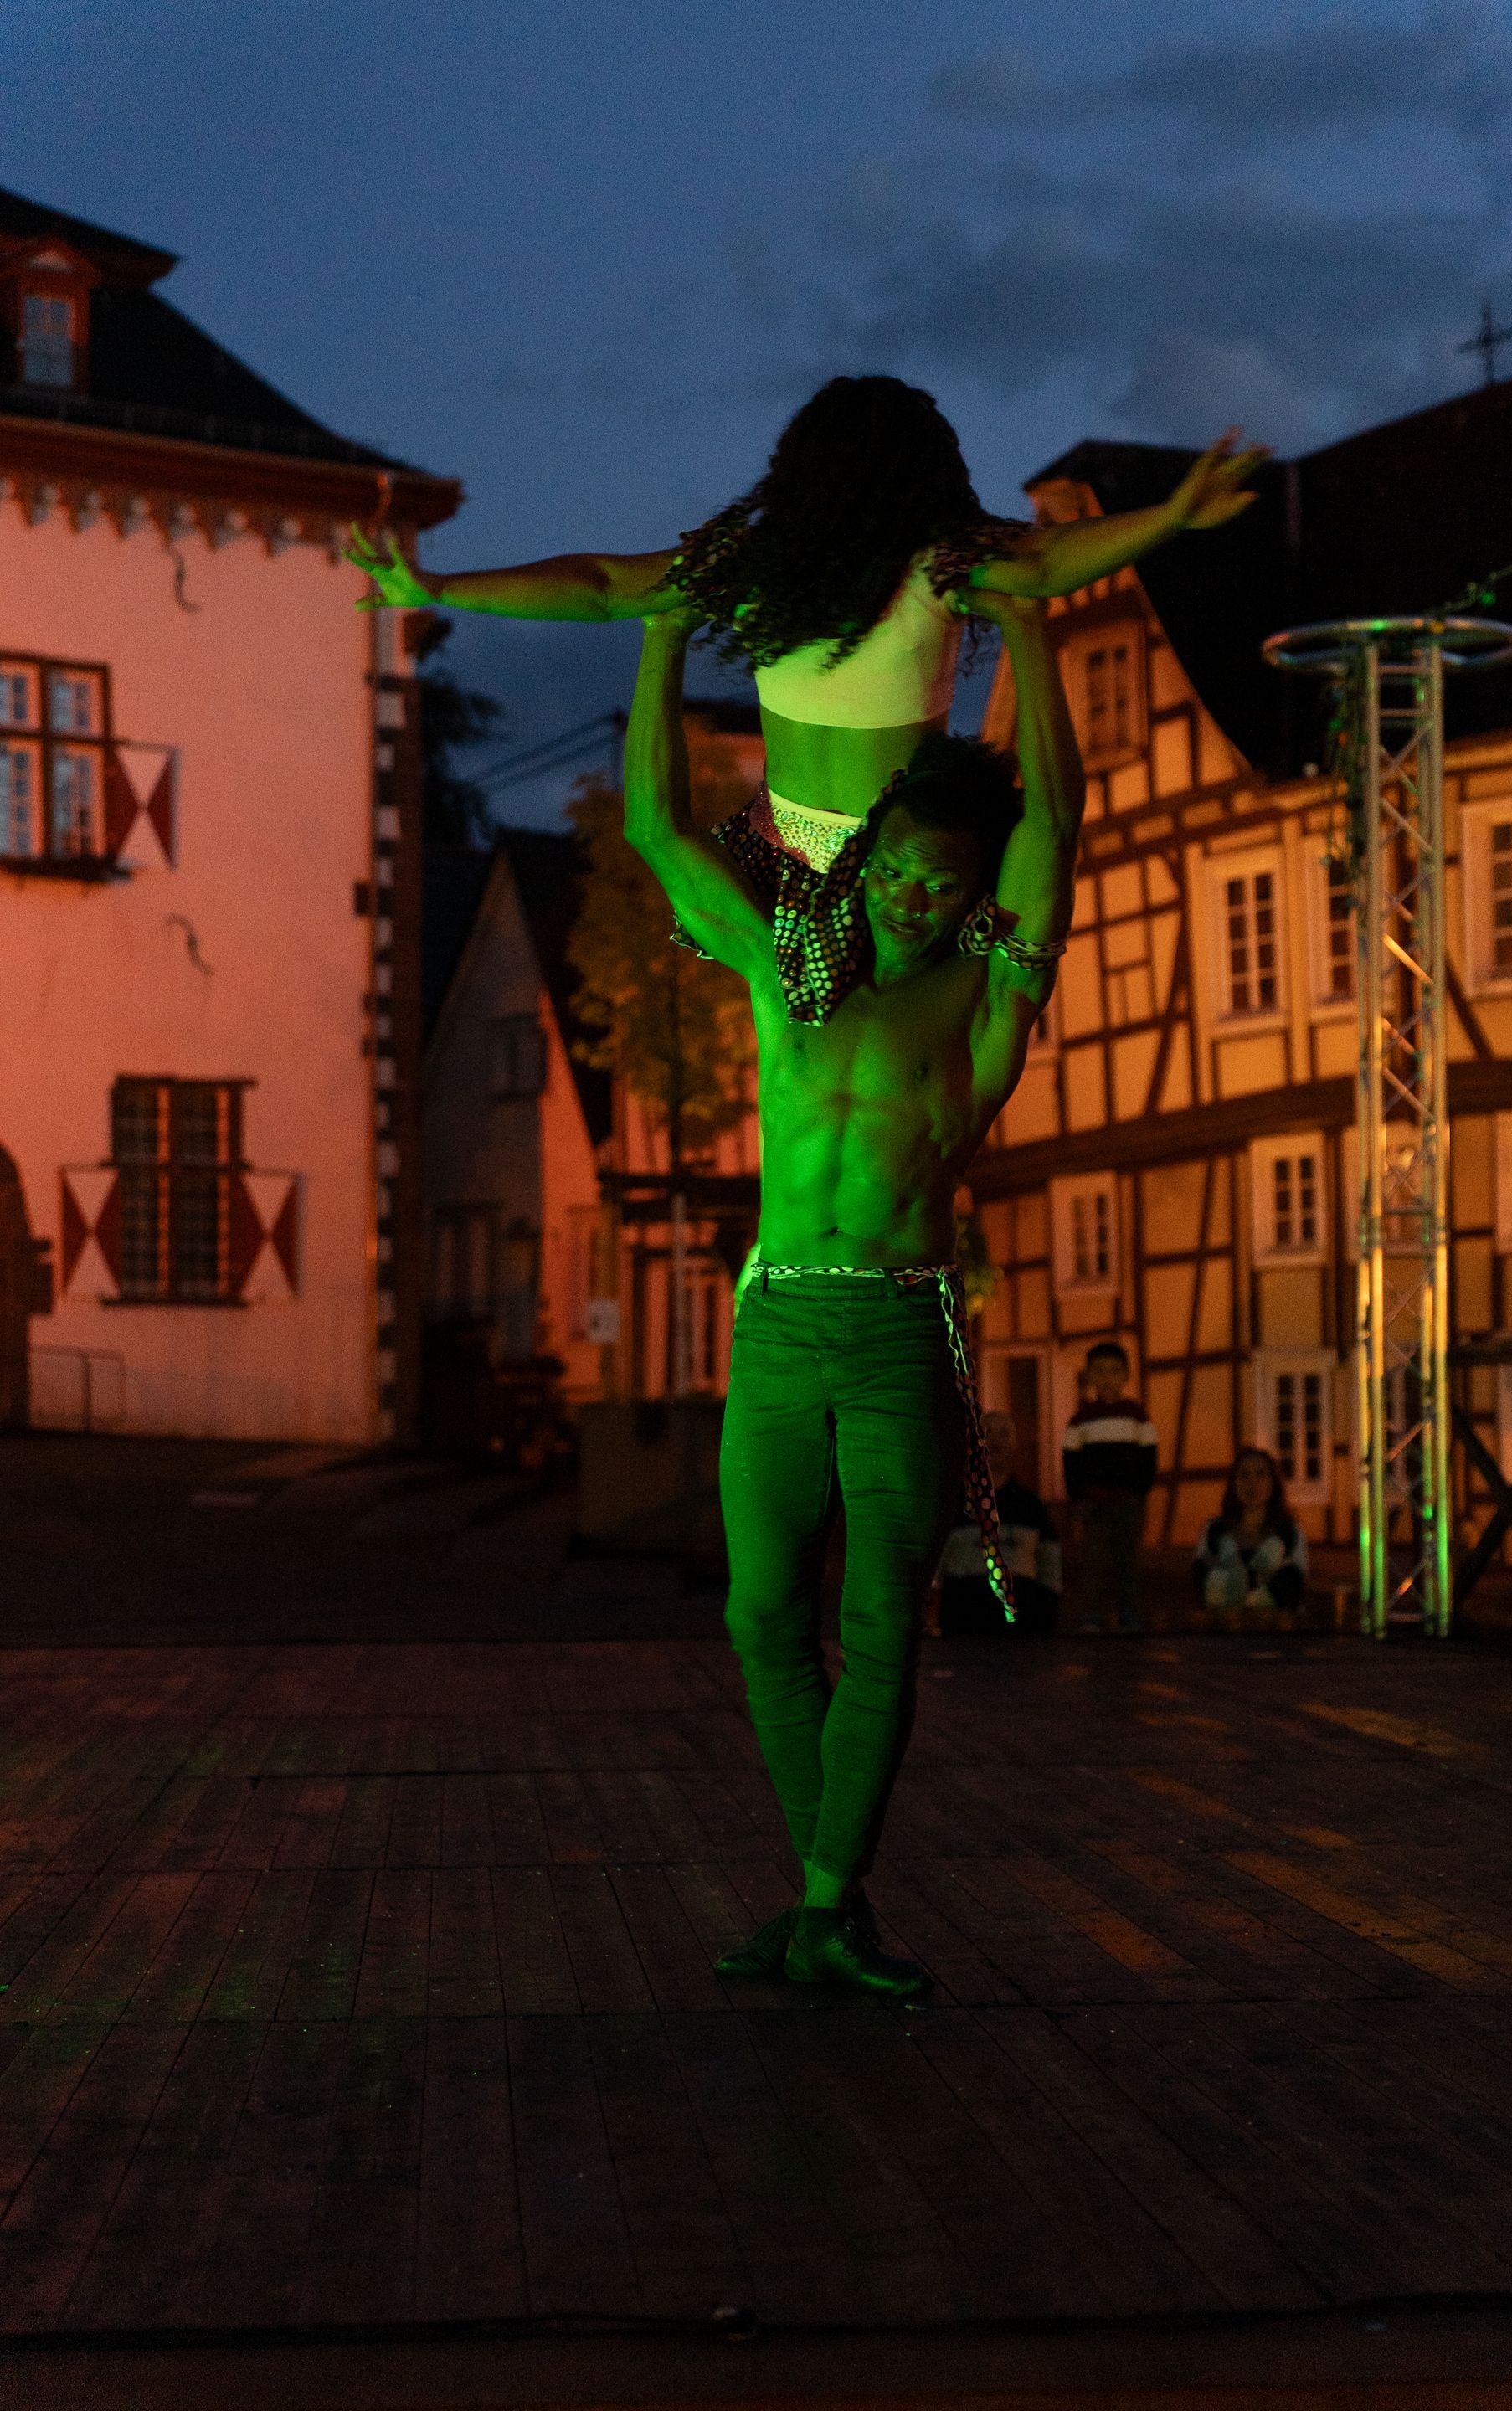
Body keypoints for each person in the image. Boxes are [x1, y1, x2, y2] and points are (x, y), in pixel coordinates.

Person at [619, 581, 1083, 1998]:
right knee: (760, 1618)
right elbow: (657, 830)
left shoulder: (987, 1001)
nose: (911, 897)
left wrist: (1034, 635)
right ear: (869, 853)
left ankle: (825, 1906)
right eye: (897, 868)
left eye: (945, 883)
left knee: (883, 1624)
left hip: (893, 1334)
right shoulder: (786, 971)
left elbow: (1057, 830)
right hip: (775, 1327)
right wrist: (658, 634)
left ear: (972, 897)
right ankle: (831, 1900)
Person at [348, 376, 1260, 1020]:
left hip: (868, 858)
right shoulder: (791, 566)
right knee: (829, 1062)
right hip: (801, 856)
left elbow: (600, 586)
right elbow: (599, 586)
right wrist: (441, 585)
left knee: (865, 1052)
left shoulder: (918, 563)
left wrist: (1168, 518)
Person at [933, 1409, 1062, 1637]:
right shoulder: (954, 1506)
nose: (995, 1441)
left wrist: (1045, 1618)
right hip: (963, 1630)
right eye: (987, 1433)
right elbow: (934, 1567)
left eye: (1004, 1434)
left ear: (1014, 1444)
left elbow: (1050, 1569)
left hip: (1020, 1631)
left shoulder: (1031, 1507)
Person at [1062, 1341, 1156, 1637]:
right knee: (1094, 1560)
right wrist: (1077, 1496)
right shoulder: (1080, 1420)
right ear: (1089, 1375)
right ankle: (1092, 1614)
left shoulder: (1136, 1416)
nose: (1107, 1378)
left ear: (1126, 1375)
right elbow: (1071, 1460)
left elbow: (1149, 1455)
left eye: (1115, 1371)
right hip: (1093, 1501)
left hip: (1128, 1501)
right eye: (1100, 1371)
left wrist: (1141, 1490)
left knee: (1128, 1560)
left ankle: (1128, 1613)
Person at [1193, 1447, 1308, 1630]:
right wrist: (1260, 1582)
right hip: (1223, 1632)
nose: (1252, 1483)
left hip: (1275, 1633)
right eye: (1244, 1475)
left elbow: (1292, 1588)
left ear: (1274, 1483)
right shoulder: (1214, 1531)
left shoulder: (1289, 1533)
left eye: (1261, 1474)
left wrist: (1233, 1584)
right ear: (1234, 1483)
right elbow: (1202, 1582)